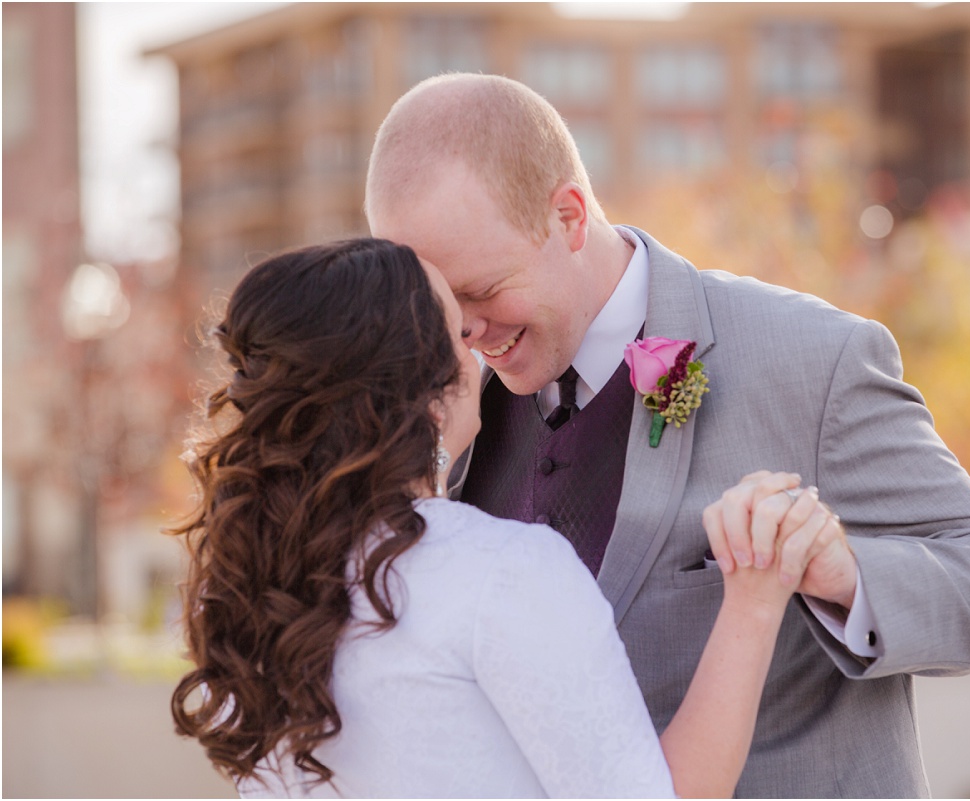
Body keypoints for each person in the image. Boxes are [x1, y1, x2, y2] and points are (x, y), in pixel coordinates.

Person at [364, 73, 970, 797]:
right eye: (436, 304)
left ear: (567, 217)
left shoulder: (812, 359)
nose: (461, 331)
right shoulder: (448, 406)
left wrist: (838, 570)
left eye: (478, 290)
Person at [170, 238, 841, 798]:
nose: (479, 343)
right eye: (457, 333)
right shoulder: (506, 573)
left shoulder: (241, 587)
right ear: (427, 394)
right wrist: (754, 597)